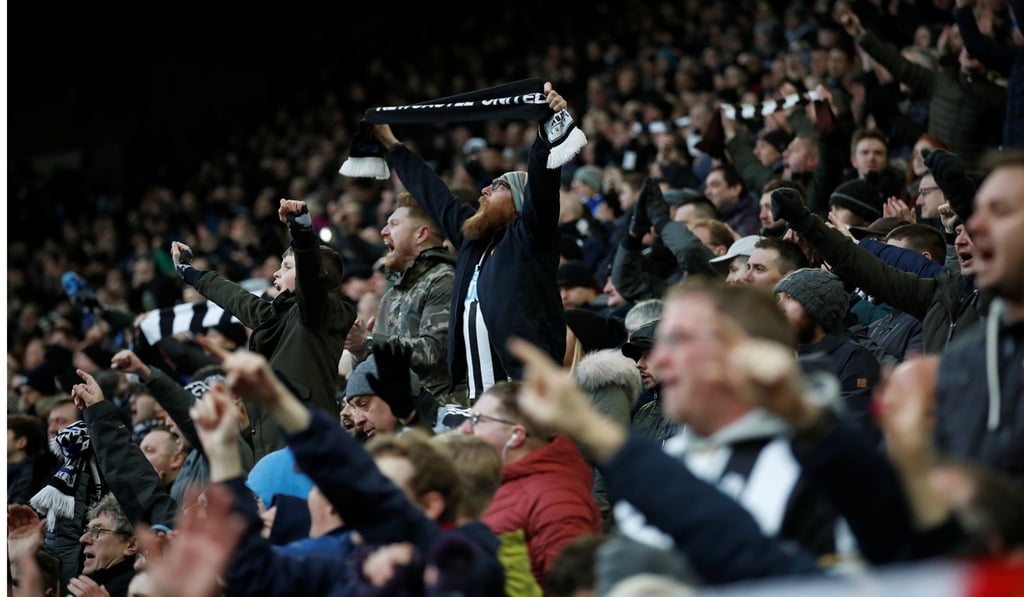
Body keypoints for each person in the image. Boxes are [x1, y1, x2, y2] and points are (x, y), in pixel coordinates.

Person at [371, 82, 570, 402]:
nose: (484, 191)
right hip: (475, 401)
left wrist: (547, 126)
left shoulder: (531, 238)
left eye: (498, 186)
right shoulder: (472, 242)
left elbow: (544, 183)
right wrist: (393, 146)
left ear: (521, 202)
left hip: (527, 396)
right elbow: (434, 195)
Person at [170, 198, 357, 459]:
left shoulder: (320, 312)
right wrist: (189, 273)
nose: (276, 274)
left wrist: (301, 229)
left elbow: (311, 279)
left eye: (287, 266)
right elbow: (236, 298)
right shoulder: (276, 316)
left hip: (308, 449)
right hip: (272, 449)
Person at [460, 381, 603, 589]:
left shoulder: (557, 501)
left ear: (516, 435)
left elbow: (574, 589)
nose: (464, 429)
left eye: (477, 420)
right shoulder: (501, 481)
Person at [344, 191, 458, 403]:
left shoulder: (443, 278)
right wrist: (359, 351)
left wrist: (368, 341)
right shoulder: (393, 291)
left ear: (421, 234)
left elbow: (434, 351)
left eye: (394, 224)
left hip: (434, 411)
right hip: (395, 411)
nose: (384, 231)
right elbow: (374, 366)